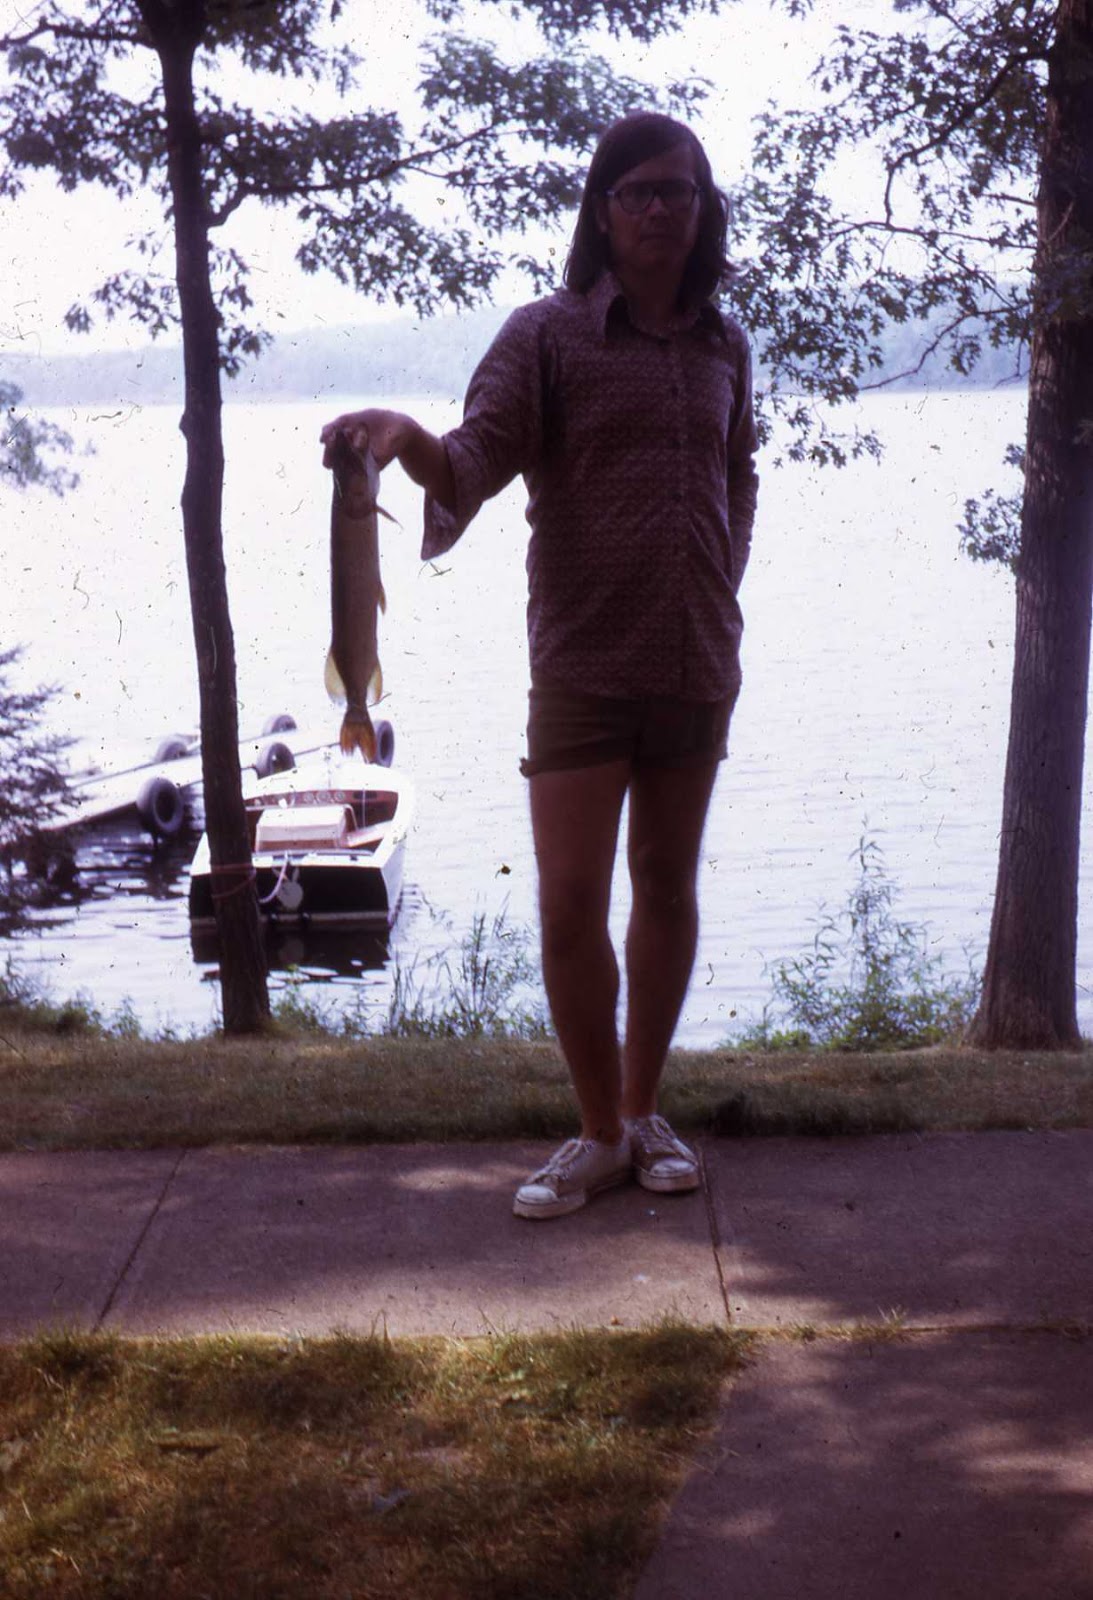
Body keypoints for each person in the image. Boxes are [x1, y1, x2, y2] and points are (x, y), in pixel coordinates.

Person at [321, 111, 759, 1220]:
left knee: (665, 886)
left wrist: (721, 580)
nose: (662, 209)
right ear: (603, 211)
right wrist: (399, 436)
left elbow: (736, 475)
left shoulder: (721, 345)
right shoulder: (546, 336)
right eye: (639, 191)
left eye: (681, 192)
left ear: (704, 212)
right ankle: (598, 1127)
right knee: (569, 905)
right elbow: (468, 464)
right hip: (580, 662)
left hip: (698, 661)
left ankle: (644, 1107)